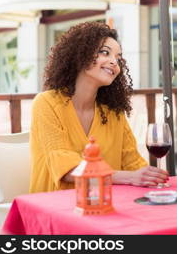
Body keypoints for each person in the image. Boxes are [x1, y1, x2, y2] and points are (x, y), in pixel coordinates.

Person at [29, 22, 168, 193]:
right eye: (105, 52)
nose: (114, 63)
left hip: (105, 205)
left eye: (118, 58)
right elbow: (66, 169)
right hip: (55, 206)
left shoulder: (112, 113)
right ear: (81, 54)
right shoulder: (46, 103)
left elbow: (133, 163)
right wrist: (130, 177)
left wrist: (154, 177)